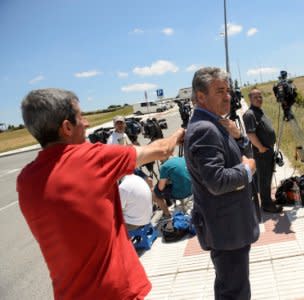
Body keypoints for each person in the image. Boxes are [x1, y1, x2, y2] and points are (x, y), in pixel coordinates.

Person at [17, 88, 184, 299]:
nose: (86, 123)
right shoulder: (93, 158)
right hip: (116, 291)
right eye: (80, 117)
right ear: (67, 127)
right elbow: (161, 150)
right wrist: (178, 134)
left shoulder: (25, 180)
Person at [184, 67, 259, 300]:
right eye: (220, 91)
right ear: (200, 96)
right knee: (234, 293)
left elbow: (239, 156)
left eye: (227, 90)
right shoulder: (204, 130)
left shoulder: (217, 124)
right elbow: (217, 181)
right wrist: (247, 170)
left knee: (233, 288)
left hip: (230, 227)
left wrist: (239, 138)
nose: (227, 96)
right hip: (226, 229)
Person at [243, 88, 283, 213]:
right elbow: (250, 134)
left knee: (268, 176)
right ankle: (266, 204)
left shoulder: (260, 111)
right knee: (264, 178)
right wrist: (261, 148)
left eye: (260, 96)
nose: (259, 99)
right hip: (261, 152)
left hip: (268, 150)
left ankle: (268, 200)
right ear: (250, 99)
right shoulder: (249, 114)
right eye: (255, 97)